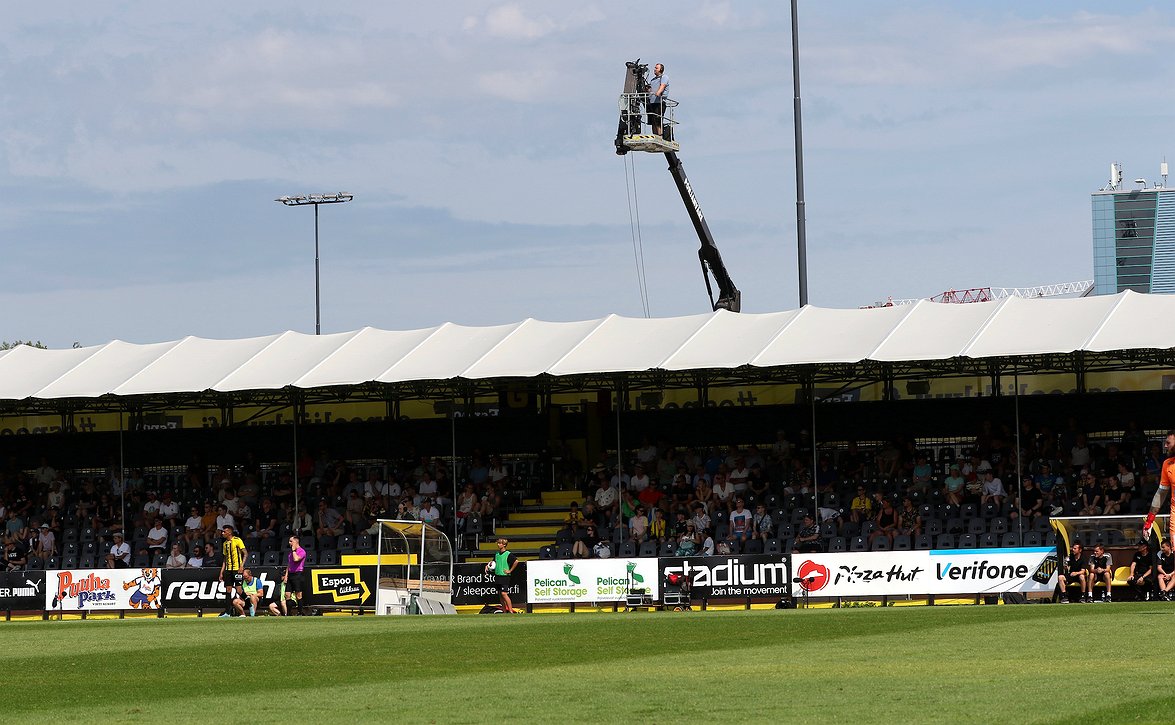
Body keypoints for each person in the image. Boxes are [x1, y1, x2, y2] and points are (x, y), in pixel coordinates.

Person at [1142, 430, 1175, 545]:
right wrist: (1150, 520)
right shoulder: (1167, 464)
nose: (1165, 446)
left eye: (1168, 443)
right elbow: (1161, 493)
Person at [218, 525, 248, 617]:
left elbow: (245, 553)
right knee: (228, 590)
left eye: (224, 532)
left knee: (239, 590)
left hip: (237, 569)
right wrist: (221, 572)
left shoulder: (237, 540)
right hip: (228, 570)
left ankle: (249, 603)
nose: (222, 533)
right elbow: (225, 559)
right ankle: (227, 612)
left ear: (229, 532)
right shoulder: (225, 544)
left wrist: (241, 566)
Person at [489, 538, 520, 613]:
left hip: (504, 576)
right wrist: (488, 565)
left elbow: (516, 561)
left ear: (504, 545)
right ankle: (504, 611)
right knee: (500, 594)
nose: (498, 544)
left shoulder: (508, 554)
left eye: (500, 543)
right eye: (498, 543)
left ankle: (510, 611)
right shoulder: (497, 554)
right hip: (498, 576)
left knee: (504, 593)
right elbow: (493, 562)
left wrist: (510, 570)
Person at [287, 535, 308, 615]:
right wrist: (286, 575)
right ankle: (288, 613)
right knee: (287, 594)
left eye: (291, 541)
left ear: (296, 542)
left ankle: (300, 612)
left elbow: (296, 559)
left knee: (298, 595)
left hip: (298, 574)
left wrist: (293, 551)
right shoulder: (290, 553)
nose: (289, 543)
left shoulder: (302, 551)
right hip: (290, 574)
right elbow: (289, 564)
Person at [646, 63, 669, 137]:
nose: (654, 69)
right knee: (652, 121)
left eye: (656, 68)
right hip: (652, 102)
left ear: (661, 69)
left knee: (658, 120)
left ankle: (660, 135)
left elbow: (662, 86)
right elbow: (650, 90)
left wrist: (658, 93)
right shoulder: (652, 80)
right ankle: (655, 135)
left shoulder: (664, 77)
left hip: (659, 102)